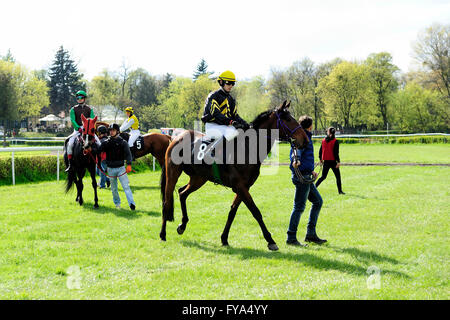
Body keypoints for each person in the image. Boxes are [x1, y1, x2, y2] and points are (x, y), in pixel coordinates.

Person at [287, 115, 326, 246]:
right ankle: (291, 237)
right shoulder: (303, 137)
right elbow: (296, 151)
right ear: (310, 126)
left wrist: (311, 171)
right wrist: (295, 160)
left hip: (306, 175)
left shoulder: (304, 136)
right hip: (302, 178)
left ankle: (310, 234)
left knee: (318, 201)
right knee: (299, 207)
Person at [201, 70, 249, 143]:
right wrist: (231, 122)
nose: (231, 86)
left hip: (224, 127)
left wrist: (246, 124)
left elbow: (235, 115)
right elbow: (217, 114)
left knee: (242, 131)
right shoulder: (213, 96)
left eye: (233, 83)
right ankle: (213, 151)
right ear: (221, 82)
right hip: (212, 126)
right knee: (233, 131)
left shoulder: (230, 99)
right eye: (228, 83)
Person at [96, 123, 136, 210]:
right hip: (110, 169)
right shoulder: (106, 143)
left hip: (121, 168)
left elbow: (128, 155)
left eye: (113, 130)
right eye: (110, 130)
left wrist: (129, 164)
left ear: (117, 131)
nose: (111, 132)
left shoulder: (123, 142)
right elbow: (98, 151)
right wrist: (90, 148)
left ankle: (132, 204)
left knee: (126, 187)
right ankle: (117, 204)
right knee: (114, 189)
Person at [65, 90, 100, 172]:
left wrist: (87, 128)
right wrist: (78, 128)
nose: (79, 99)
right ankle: (70, 164)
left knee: (99, 143)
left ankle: (100, 163)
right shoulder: (73, 109)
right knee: (70, 143)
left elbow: (92, 119)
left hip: (88, 130)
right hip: (78, 130)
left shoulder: (89, 109)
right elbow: (72, 120)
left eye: (81, 98)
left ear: (84, 98)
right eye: (78, 98)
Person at [316, 127, 345, 194]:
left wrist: (320, 159)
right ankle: (340, 191)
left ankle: (314, 187)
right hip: (333, 162)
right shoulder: (335, 141)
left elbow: (320, 151)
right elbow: (336, 153)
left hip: (326, 161)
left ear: (329, 132)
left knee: (323, 177)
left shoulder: (323, 140)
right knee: (338, 177)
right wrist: (338, 162)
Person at [96, 125, 110, 189]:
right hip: (100, 159)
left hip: (103, 159)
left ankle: (102, 186)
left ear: (100, 133)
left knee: (102, 172)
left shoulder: (103, 140)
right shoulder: (100, 139)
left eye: (98, 132)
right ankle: (108, 180)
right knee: (98, 172)